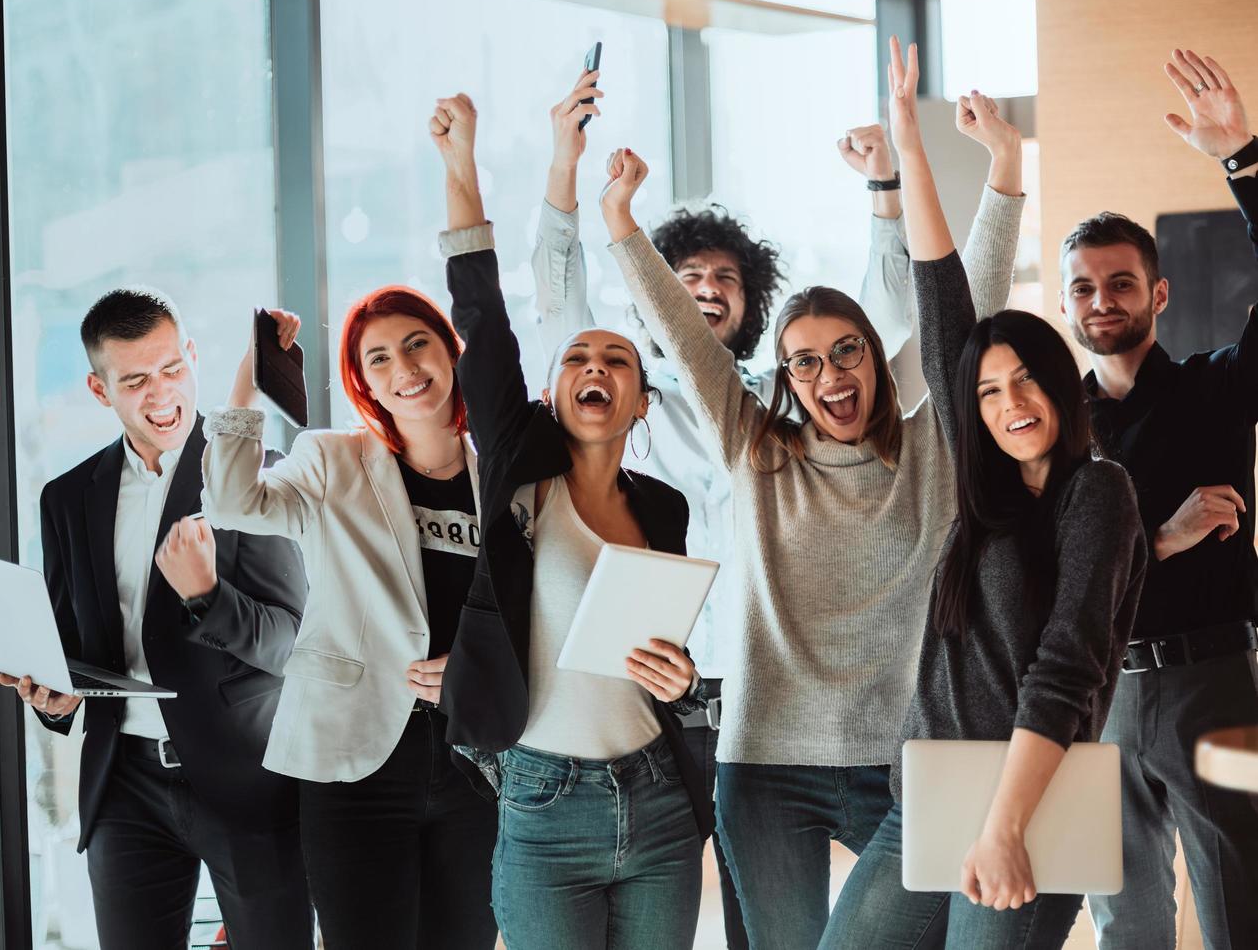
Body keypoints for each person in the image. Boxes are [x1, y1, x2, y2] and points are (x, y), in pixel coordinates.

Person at [531, 66, 1025, 949]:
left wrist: (1002, 171)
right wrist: (616, 221)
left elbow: (968, 305)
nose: (829, 375)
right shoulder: (756, 449)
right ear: (785, 378)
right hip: (763, 765)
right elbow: (682, 336)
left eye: (846, 353)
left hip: (906, 764)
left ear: (877, 359)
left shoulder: (933, 447)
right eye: (804, 362)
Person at [819, 37, 1147, 950]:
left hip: (1027, 805)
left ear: (1061, 384)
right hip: (928, 796)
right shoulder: (981, 492)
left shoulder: (1098, 494)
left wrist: (1002, 827)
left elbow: (1067, 667)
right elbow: (940, 306)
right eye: (988, 392)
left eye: (1027, 381)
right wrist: (908, 148)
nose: (1009, 405)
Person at [431, 91, 713, 950]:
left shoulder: (662, 508)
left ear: (637, 402)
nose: (596, 366)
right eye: (577, 359)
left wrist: (680, 677)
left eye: (616, 359)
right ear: (553, 393)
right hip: (541, 801)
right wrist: (461, 165)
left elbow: (652, 650)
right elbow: (481, 316)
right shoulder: (522, 474)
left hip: (659, 796)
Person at [0, 288, 312, 949]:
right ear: (97, 387)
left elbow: (290, 640)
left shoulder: (256, 477)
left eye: (172, 369)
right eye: (136, 380)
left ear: (193, 357)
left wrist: (207, 597)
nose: (161, 393)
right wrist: (51, 698)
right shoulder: (66, 498)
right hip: (124, 787)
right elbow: (71, 645)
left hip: (245, 778)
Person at [200, 287, 497, 949]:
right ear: (363, 381)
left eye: (417, 344)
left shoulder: (499, 478)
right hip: (352, 761)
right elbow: (229, 501)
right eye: (379, 358)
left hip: (473, 766)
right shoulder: (331, 459)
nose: (405, 368)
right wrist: (249, 378)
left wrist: (481, 667)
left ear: (451, 351)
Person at [1063, 49, 1258, 950]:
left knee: (1235, 909)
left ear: (1159, 294)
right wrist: (1165, 536)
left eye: (1119, 283)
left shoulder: (1216, 390)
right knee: (1124, 921)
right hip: (1092, 691)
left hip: (1209, 682)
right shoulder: (1050, 428)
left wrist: (1242, 158)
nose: (1100, 300)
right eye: (1083, 287)